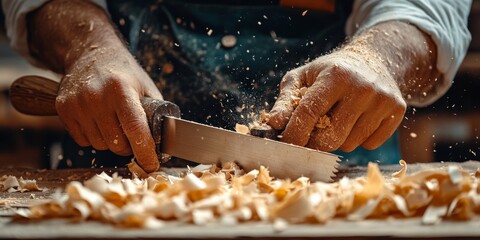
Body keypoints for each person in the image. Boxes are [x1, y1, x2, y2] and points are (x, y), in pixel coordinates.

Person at [2, 0, 471, 172]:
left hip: (336, 166)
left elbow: (428, 7)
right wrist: (90, 48)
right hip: (116, 169)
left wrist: (379, 58)